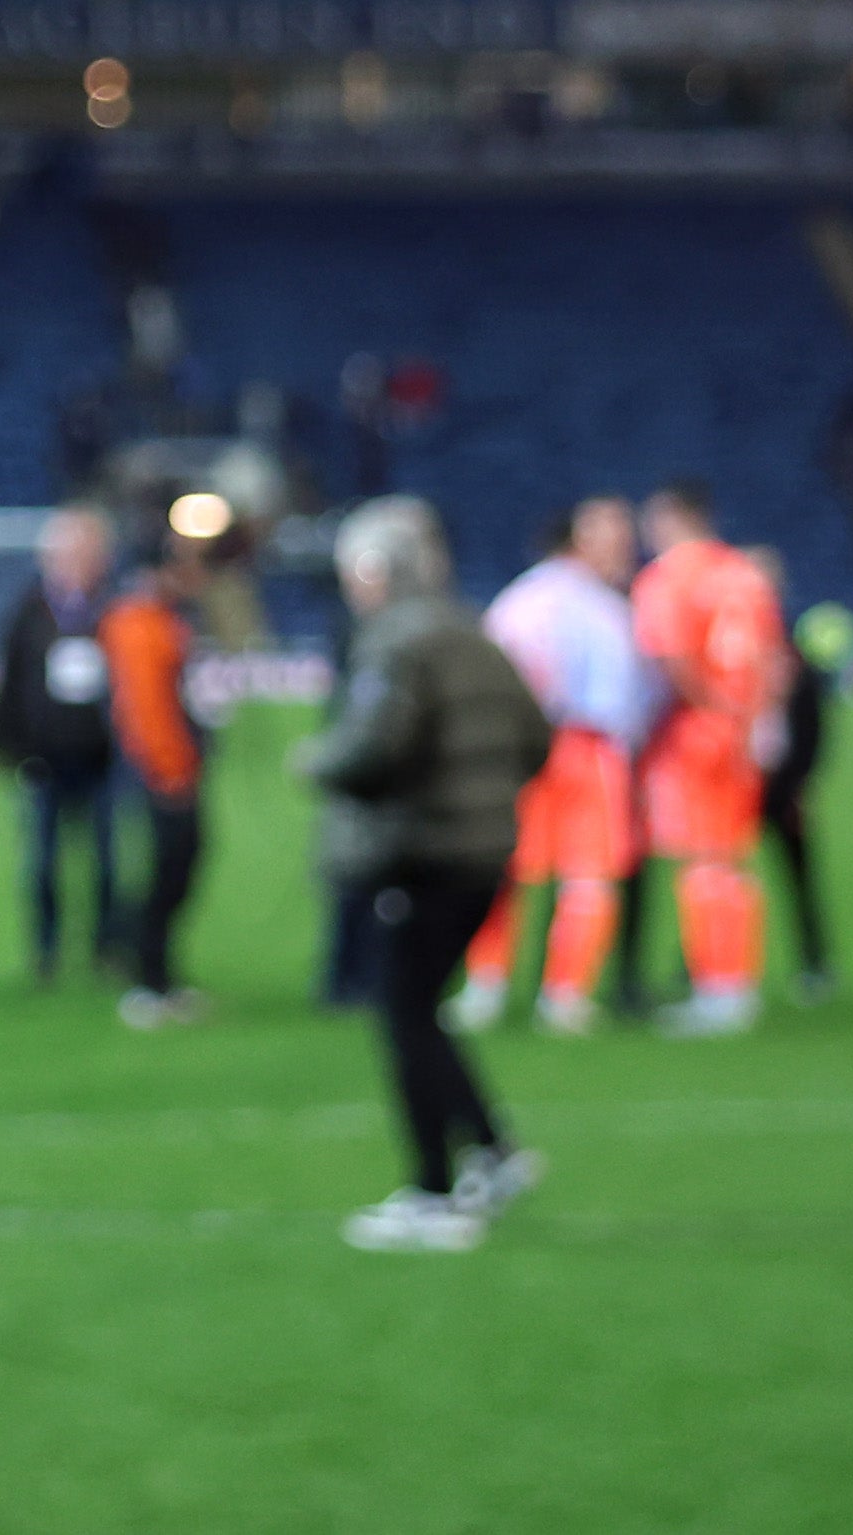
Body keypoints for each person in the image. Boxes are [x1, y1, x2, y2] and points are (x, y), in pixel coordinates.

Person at [295, 495, 553, 1253]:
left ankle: (432, 1191)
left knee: (403, 1013)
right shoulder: (472, 632)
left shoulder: (396, 643)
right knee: (424, 1007)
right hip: (484, 852)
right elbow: (535, 737)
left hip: (418, 853)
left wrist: (317, 762)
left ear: (373, 572)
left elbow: (374, 747)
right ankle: (491, 1149)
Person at [456, 496, 652, 1035]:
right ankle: (564, 994)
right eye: (613, 537)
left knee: (506, 873)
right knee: (587, 877)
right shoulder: (602, 607)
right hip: (585, 748)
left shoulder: (520, 599)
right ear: (579, 540)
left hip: (518, 747)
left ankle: (486, 989)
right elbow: (630, 694)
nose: (624, 549)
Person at [632, 481, 786, 1036]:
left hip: (693, 733)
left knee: (701, 863)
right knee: (732, 861)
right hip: (745, 730)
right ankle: (736, 983)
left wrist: (707, 705)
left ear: (672, 516)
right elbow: (773, 656)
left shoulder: (668, 579)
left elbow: (670, 662)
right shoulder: (746, 574)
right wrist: (762, 718)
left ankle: (718, 989)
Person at [0, 505, 123, 986]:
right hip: (43, 759)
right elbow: (6, 683)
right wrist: (0, 744)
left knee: (108, 861)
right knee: (42, 863)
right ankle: (46, 953)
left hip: (104, 758)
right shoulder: (27, 612)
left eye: (85, 552)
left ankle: (107, 948)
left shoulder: (117, 611)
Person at [102, 531, 212, 1026]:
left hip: (171, 769)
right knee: (168, 873)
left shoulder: (163, 620)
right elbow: (148, 710)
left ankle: (159, 977)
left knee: (176, 872)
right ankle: (148, 981)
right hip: (163, 774)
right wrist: (173, 771)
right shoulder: (140, 625)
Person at [758, 556, 839, 1002]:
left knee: (799, 879)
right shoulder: (732, 650)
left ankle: (815, 963)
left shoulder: (792, 655)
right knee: (720, 877)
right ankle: (701, 969)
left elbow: (813, 727)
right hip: (737, 785)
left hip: (784, 787)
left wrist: (804, 782)